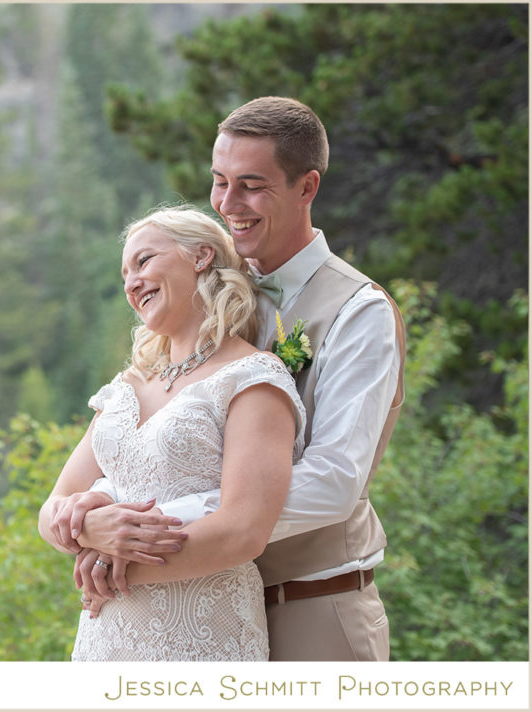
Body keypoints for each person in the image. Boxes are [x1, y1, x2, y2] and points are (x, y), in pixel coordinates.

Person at [48, 97, 406, 661]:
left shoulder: (358, 311)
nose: (227, 204)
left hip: (312, 604)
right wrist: (102, 511)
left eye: (251, 186)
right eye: (220, 182)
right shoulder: (201, 299)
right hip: (188, 605)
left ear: (307, 187)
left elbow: (334, 480)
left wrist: (148, 531)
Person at [39, 205, 307, 661]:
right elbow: (52, 507)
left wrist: (115, 564)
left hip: (205, 635)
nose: (131, 283)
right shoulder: (127, 386)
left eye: (143, 261)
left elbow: (244, 530)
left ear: (201, 256)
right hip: (106, 638)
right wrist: (86, 526)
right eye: (125, 275)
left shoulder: (252, 376)